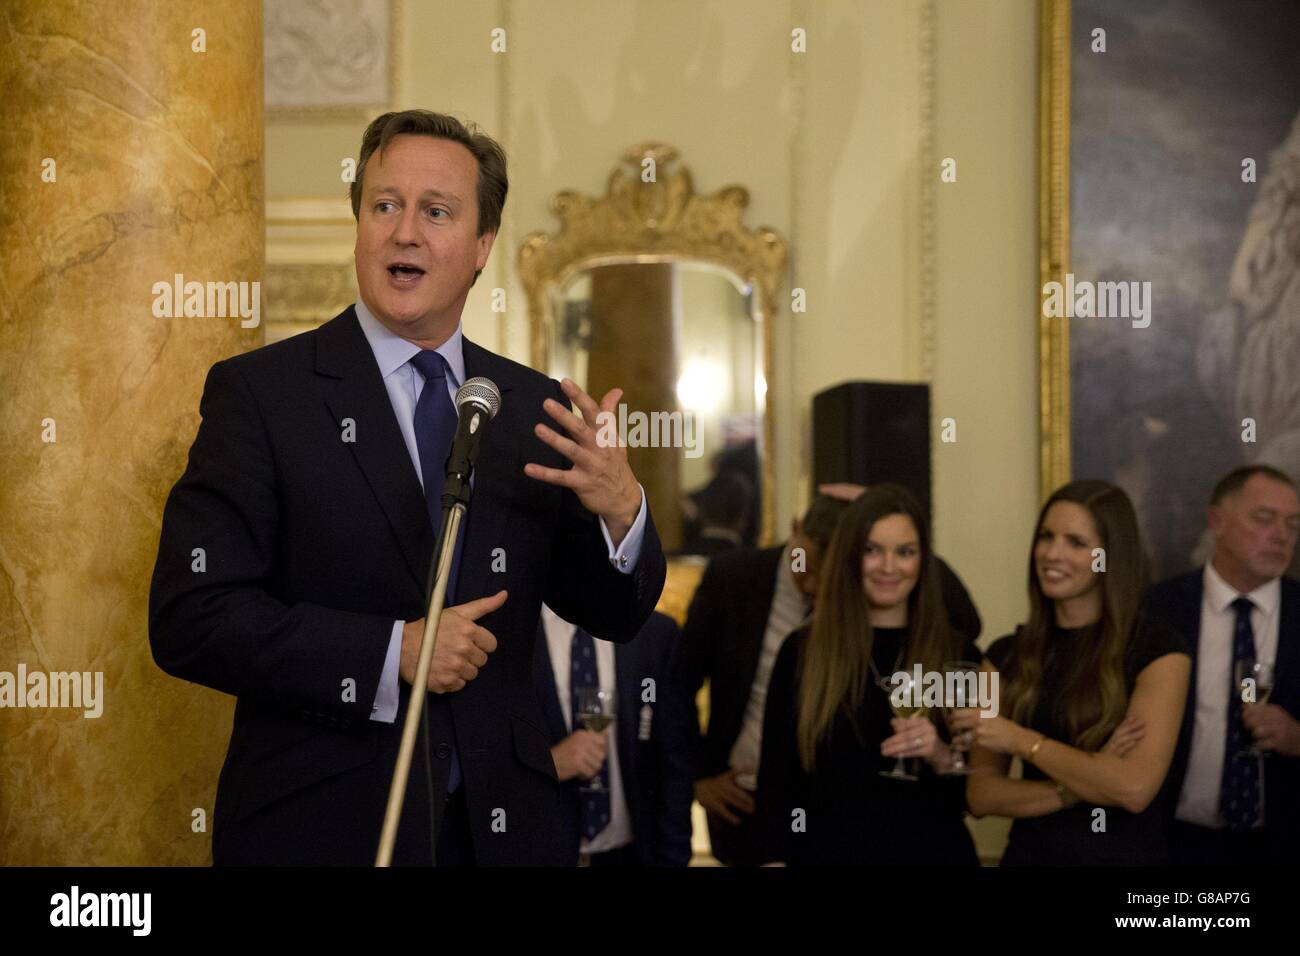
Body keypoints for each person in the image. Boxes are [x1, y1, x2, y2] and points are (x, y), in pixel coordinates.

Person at [148, 110, 666, 866]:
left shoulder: (532, 408)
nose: (405, 232)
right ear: (358, 224)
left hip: (504, 834)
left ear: (482, 246)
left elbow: (611, 613)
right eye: (384, 205)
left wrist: (622, 511)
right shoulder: (265, 396)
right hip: (324, 828)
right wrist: (392, 651)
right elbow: (192, 615)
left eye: (437, 211)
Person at [672, 492, 980, 865]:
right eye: (871, 550)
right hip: (823, 852)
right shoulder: (802, 650)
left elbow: (975, 790)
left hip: (930, 853)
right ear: (849, 555)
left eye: (906, 552)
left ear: (923, 561)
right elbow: (778, 780)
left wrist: (940, 755)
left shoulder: (959, 655)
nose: (888, 566)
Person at [957, 480, 1189, 865]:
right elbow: (980, 796)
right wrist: (1080, 784)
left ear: (1110, 556)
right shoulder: (1004, 655)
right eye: (1046, 537)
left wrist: (1021, 741)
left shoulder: (1159, 651)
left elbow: (1132, 789)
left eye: (1076, 543)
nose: (1052, 553)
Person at [1146, 464, 1300, 865]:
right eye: (1264, 518)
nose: (1282, 535)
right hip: (1171, 843)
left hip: (1281, 844)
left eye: (1293, 524)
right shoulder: (1157, 609)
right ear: (1217, 521)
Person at [533, 605, 693, 866]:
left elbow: (674, 758)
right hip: (539, 851)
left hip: (634, 854)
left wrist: (673, 858)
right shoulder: (508, 629)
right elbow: (479, 755)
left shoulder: (655, 632)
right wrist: (546, 764)